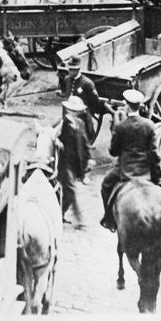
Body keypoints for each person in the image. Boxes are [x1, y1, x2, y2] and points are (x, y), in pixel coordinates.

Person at [100, 89, 161, 232]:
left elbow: (113, 152)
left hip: (125, 169)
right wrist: (157, 171)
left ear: (127, 106)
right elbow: (153, 152)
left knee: (106, 185)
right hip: (145, 169)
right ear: (139, 106)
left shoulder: (121, 127)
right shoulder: (149, 124)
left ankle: (109, 219)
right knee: (160, 188)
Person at [61, 55, 109, 142]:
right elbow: (66, 95)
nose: (69, 71)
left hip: (83, 114)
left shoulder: (87, 83)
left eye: (72, 69)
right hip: (68, 112)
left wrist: (89, 111)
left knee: (87, 135)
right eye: (69, 69)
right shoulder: (67, 79)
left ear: (78, 69)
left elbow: (95, 102)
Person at [59, 96, 91, 227]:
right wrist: (57, 142)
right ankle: (80, 220)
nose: (75, 112)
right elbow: (48, 134)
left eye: (77, 110)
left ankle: (59, 214)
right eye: (73, 110)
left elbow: (85, 142)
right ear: (67, 109)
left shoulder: (80, 123)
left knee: (68, 192)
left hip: (76, 163)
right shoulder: (61, 123)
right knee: (71, 189)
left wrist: (90, 158)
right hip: (63, 163)